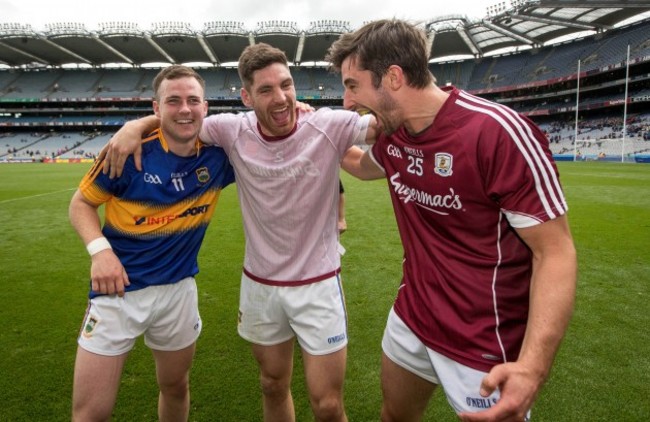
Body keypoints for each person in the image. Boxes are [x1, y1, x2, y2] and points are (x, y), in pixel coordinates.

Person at [102, 43, 376, 422]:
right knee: (271, 384)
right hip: (260, 284)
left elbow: (383, 124)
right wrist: (136, 125)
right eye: (265, 90)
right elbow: (184, 119)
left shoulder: (326, 123)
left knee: (328, 405)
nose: (280, 98)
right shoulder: (231, 130)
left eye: (286, 85)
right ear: (246, 97)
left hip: (318, 282)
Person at [328, 19, 578, 422]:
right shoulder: (397, 135)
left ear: (393, 77)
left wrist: (532, 367)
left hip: (483, 337)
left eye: (353, 85)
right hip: (412, 316)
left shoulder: (497, 133)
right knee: (393, 415)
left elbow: (556, 253)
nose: (346, 102)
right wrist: (311, 134)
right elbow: (358, 165)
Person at [69, 65, 235, 421]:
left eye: (193, 100)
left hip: (178, 291)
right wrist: (101, 253)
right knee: (91, 413)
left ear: (206, 107)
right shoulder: (126, 153)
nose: (185, 109)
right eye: (173, 101)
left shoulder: (218, 155)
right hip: (118, 291)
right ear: (156, 109)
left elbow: (270, 133)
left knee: (175, 387)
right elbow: (81, 204)